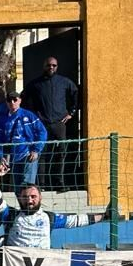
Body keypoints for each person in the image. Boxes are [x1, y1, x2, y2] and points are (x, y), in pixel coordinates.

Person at [0, 173, 93, 249]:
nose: (29, 200)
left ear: (40, 197)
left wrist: (105, 216)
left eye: (33, 197)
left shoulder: (49, 217)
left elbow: (76, 220)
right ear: (19, 198)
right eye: (25, 197)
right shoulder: (10, 215)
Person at [25, 55, 79, 191]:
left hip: (59, 123)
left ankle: (59, 182)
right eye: (49, 65)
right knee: (41, 153)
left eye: (54, 65)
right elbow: (24, 99)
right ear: (44, 66)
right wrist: (33, 117)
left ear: (57, 67)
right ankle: (41, 184)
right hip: (42, 125)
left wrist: (71, 113)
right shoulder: (35, 84)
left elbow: (76, 95)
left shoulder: (64, 82)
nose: (51, 67)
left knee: (61, 153)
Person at [0, 93, 47, 188]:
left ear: (20, 100)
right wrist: (0, 155)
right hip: (13, 156)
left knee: (27, 185)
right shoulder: (2, 119)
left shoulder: (29, 115)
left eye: (14, 99)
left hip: (28, 154)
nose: (12, 102)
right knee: (17, 187)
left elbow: (42, 132)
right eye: (9, 100)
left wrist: (36, 150)